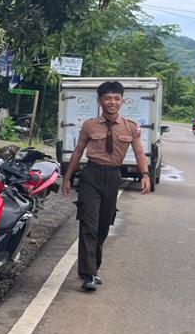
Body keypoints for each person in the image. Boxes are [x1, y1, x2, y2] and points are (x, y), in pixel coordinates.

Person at [61, 80, 151, 292]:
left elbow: (139, 152)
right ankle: (89, 273)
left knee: (103, 225)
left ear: (122, 101)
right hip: (91, 175)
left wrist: (145, 174)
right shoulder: (89, 125)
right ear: (100, 101)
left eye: (116, 98)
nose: (112, 102)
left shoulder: (131, 127)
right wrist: (67, 177)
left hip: (113, 177)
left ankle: (91, 269)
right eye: (107, 98)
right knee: (89, 224)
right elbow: (78, 151)